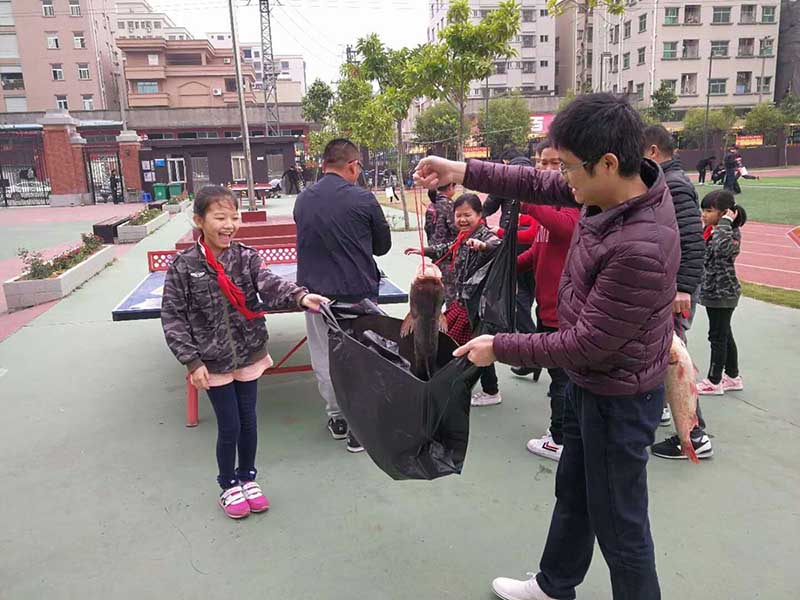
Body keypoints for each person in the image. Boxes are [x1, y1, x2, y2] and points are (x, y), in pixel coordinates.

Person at [415, 93, 679, 600]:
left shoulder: (641, 244)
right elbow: (534, 182)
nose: (563, 179)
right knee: (575, 494)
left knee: (621, 526)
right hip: (593, 387)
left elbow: (590, 343)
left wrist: (501, 346)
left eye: (570, 168)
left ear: (607, 162)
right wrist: (460, 168)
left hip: (617, 398)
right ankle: (555, 583)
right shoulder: (613, 188)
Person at [161, 186, 328, 519]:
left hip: (248, 353)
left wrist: (299, 296)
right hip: (213, 360)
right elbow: (173, 316)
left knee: (249, 421)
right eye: (220, 217)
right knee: (230, 425)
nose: (229, 225)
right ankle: (228, 484)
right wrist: (192, 361)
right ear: (199, 220)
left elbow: (269, 283)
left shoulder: (246, 257)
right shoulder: (184, 265)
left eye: (234, 217)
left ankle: (248, 477)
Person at [294, 138, 392, 453]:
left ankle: (337, 417)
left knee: (325, 359)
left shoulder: (303, 200)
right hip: (358, 297)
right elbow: (382, 246)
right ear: (352, 165)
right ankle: (358, 427)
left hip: (316, 298)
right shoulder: (363, 199)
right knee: (362, 361)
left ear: (325, 165)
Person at [642, 125, 713, 460]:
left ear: (653, 152)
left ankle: (695, 434)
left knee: (676, 360)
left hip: (674, 291)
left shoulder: (673, 185)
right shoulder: (666, 182)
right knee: (664, 357)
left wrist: (683, 287)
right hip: (667, 288)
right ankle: (669, 413)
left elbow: (690, 239)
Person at [510, 140, 580, 461]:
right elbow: (536, 250)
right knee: (560, 376)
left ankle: (560, 438)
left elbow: (565, 229)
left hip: (567, 311)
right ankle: (567, 433)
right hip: (549, 308)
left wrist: (532, 201)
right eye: (543, 163)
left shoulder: (575, 201)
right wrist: (496, 256)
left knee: (563, 379)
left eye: (557, 164)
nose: (548, 171)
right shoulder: (547, 211)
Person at [406, 193, 502, 407]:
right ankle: (486, 387)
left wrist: (483, 246)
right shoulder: (462, 236)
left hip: (478, 305)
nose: (462, 220)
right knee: (475, 345)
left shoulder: (484, 236)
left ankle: (481, 388)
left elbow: (498, 245)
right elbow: (446, 248)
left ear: (479, 215)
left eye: (467, 215)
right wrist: (424, 250)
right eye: (458, 215)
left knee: (466, 345)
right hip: (462, 301)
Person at [482, 150, 539, 377]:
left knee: (517, 298)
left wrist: (483, 226)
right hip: (537, 243)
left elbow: (487, 207)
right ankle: (531, 350)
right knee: (529, 295)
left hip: (514, 242)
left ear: (507, 164)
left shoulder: (508, 180)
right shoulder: (539, 181)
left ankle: (532, 350)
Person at [696, 189, 747, 395]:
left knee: (717, 336)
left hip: (723, 293)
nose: (704, 215)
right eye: (703, 210)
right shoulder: (710, 230)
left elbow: (722, 249)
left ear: (725, 212)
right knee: (725, 334)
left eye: (709, 211)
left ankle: (714, 380)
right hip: (713, 291)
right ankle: (733, 376)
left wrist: (725, 222)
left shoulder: (729, 232)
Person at [425, 183, 459, 305]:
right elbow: (457, 229)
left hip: (435, 256)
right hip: (448, 258)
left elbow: (427, 229)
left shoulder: (431, 205)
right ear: (450, 187)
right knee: (451, 299)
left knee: (435, 300)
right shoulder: (449, 205)